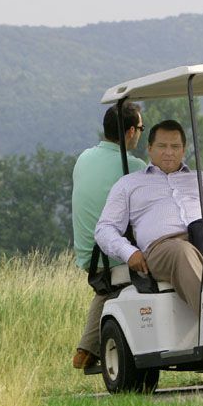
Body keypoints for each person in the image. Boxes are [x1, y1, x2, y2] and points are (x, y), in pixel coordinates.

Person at [95, 120, 203, 312]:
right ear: (149, 148)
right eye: (162, 146)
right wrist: (128, 252)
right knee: (182, 252)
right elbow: (104, 228)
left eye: (175, 146)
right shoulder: (128, 184)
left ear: (183, 149)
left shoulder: (202, 179)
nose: (169, 152)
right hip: (163, 248)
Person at [71, 101, 147, 370]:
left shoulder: (84, 158)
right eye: (140, 128)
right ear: (129, 132)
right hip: (111, 254)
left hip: (89, 253)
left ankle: (89, 349)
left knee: (108, 292)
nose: (140, 133)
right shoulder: (135, 166)